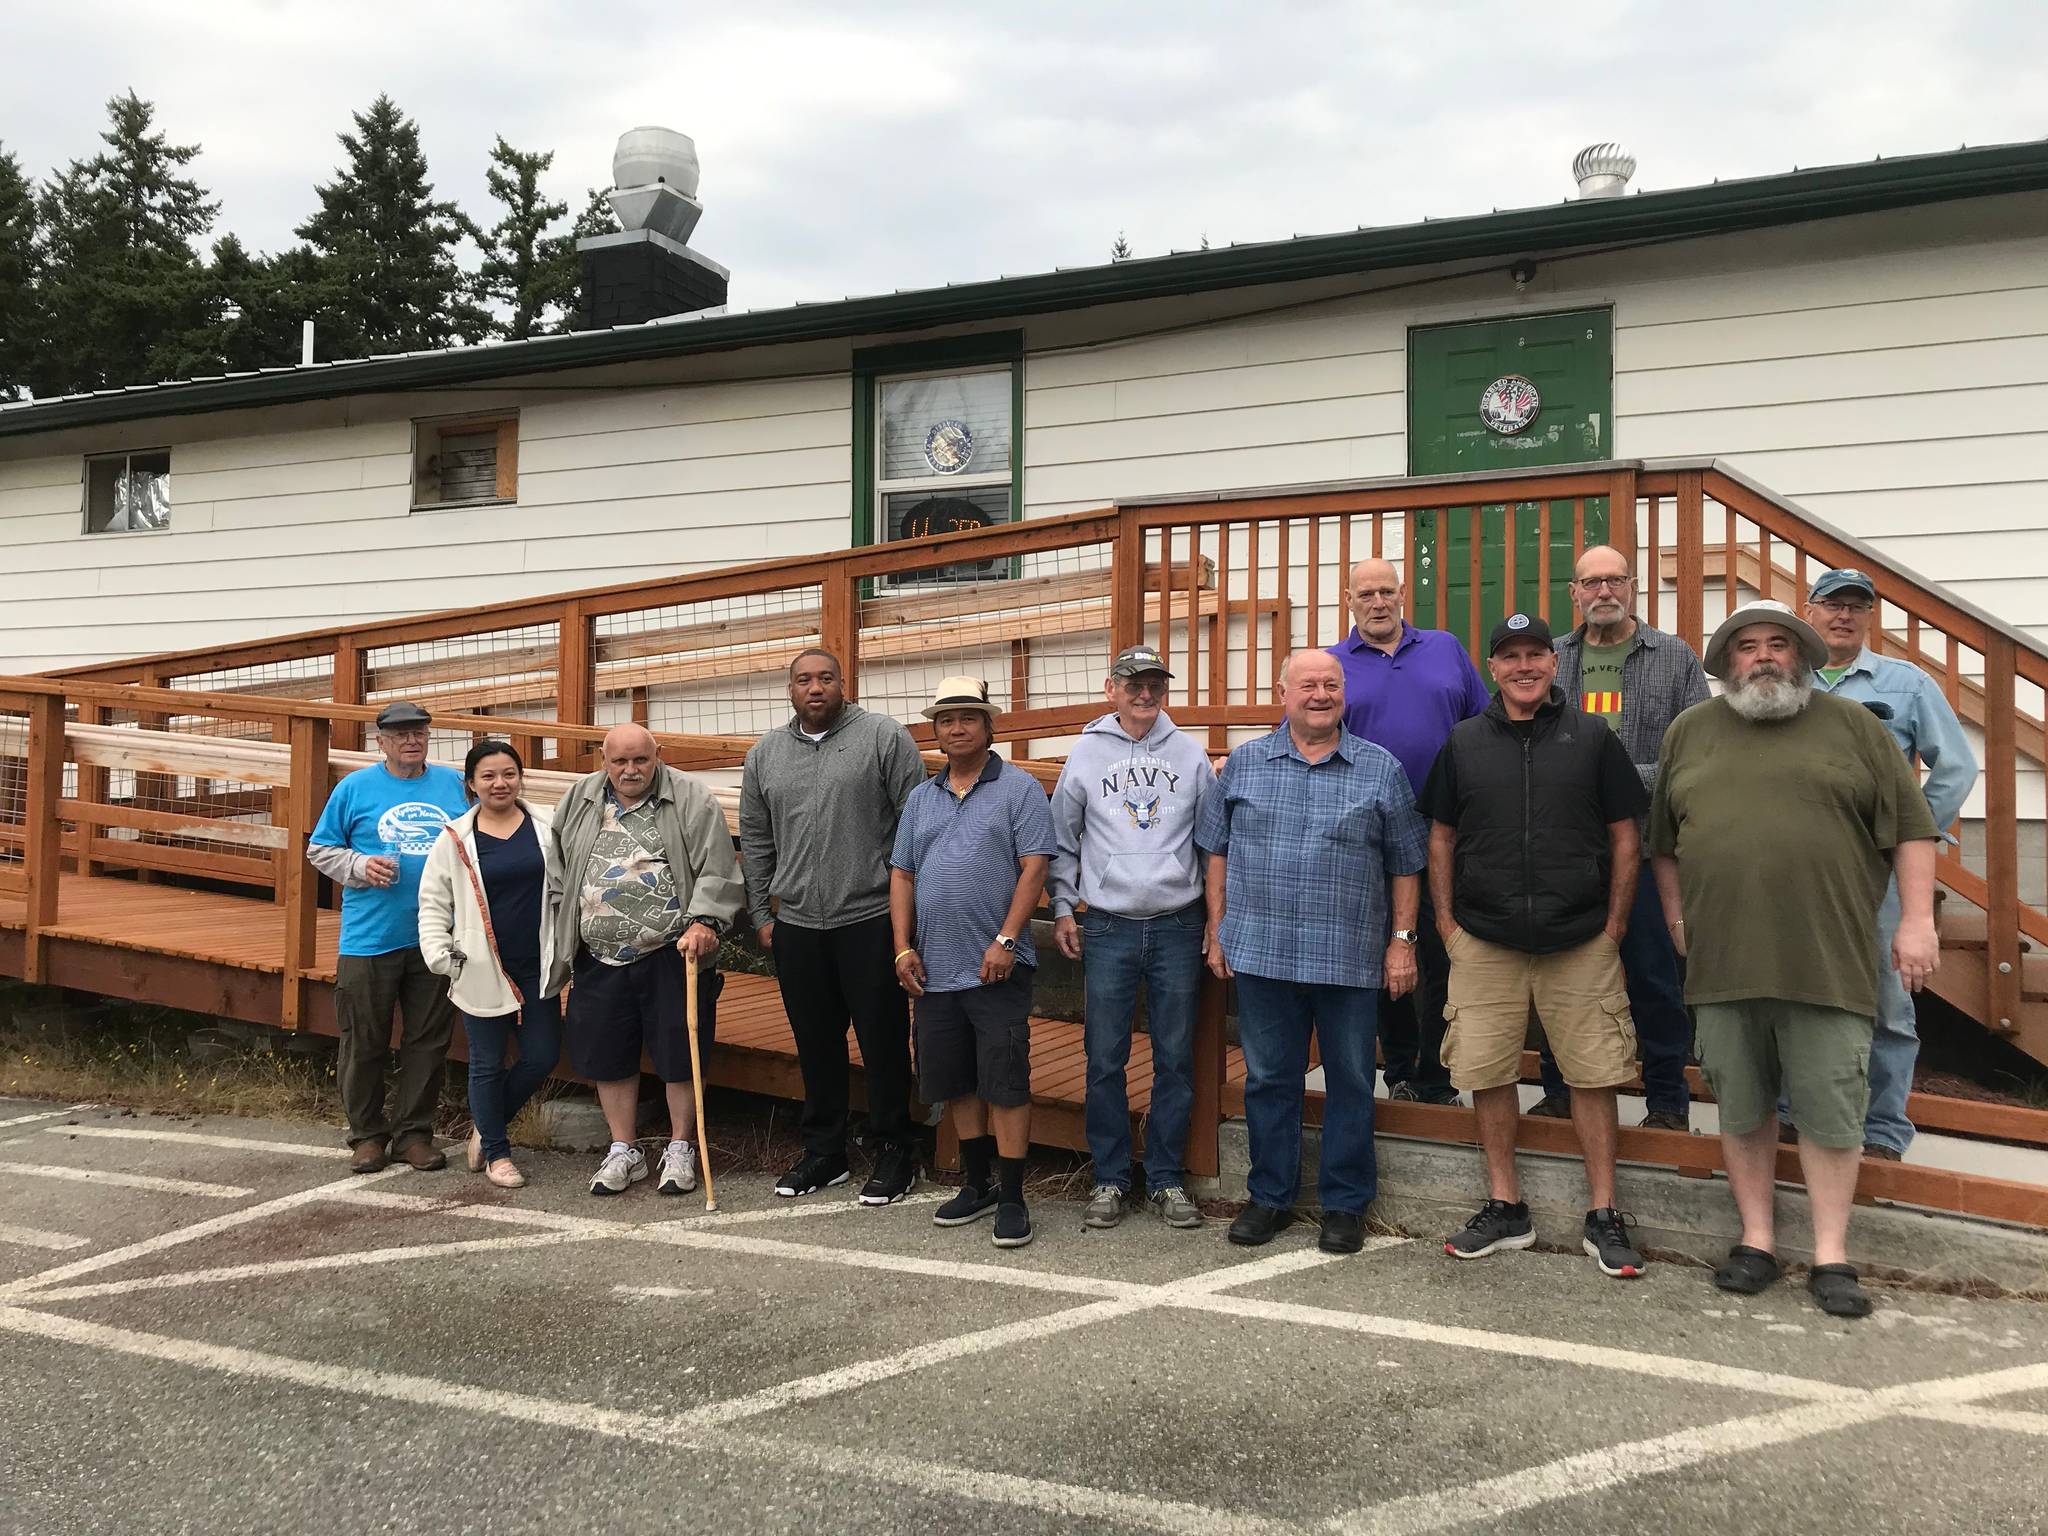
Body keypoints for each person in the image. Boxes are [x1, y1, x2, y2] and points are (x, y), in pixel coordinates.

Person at [1651, 600, 1940, 1319]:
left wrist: (1917, 924)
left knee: (1831, 1112)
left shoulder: (1854, 730)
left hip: (1828, 958)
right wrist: (1676, 917)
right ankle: (1756, 1240)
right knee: (1743, 1107)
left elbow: (1911, 829)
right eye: (1747, 647)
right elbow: (1664, 842)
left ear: (1803, 657)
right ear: (1725, 664)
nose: (1764, 657)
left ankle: (1832, 1254)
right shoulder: (1691, 732)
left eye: (1779, 644)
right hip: (1724, 962)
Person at [1420, 614, 1652, 1278]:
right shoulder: (1464, 742)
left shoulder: (1592, 737)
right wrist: (1447, 926)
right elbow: (1439, 836)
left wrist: (1613, 927)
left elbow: (1625, 836)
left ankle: (1603, 1213)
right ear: (1491, 668)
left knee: (1594, 1073)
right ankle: (1505, 1205)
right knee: (1486, 1071)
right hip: (1483, 939)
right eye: (1510, 656)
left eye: (1535, 654)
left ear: (1554, 663)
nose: (1524, 666)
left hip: (1580, 938)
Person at [1197, 648, 1428, 1255]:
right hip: (1263, 951)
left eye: (1331, 684)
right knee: (1270, 1078)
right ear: (1284, 694)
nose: (1320, 694)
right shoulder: (1243, 766)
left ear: (1343, 695)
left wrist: (1402, 943)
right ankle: (1269, 1195)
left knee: (1352, 1078)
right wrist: (1217, 927)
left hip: (1348, 956)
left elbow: (1407, 863)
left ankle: (1345, 1204)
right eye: (1307, 685)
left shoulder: (1381, 769)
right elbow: (1214, 850)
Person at [1800, 568, 1977, 1161]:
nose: (1844, 615)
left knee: (1887, 998)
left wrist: (1909, 829)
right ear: (1810, 610)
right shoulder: (1783, 677)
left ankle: (1881, 1131)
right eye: (1832, 604)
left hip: (1875, 871)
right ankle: (1785, 1116)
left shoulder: (1905, 685)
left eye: (1857, 606)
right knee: (1791, 989)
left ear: (1870, 616)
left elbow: (1955, 767)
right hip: (1794, 869)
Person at [1532, 546, 1711, 1131]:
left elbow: (1696, 754)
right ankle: (1560, 1090)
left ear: (1631, 587)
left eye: (1615, 580)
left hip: (1648, 844)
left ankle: (1666, 1101)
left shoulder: (1674, 657)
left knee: (1654, 975)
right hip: (1567, 850)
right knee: (1565, 976)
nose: (1604, 591)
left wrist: (1611, 778)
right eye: (1592, 582)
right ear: (1574, 592)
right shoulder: (1551, 659)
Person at [741, 647, 926, 1204]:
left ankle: (896, 1150)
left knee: (883, 1042)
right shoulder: (766, 755)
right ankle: (825, 1152)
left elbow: (916, 824)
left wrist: (906, 921)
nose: (814, 688)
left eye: (825, 678)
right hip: (796, 924)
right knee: (815, 1043)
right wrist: (759, 914)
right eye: (803, 680)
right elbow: (755, 838)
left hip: (869, 917)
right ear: (790, 690)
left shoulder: (882, 738)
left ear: (843, 684)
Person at [1049, 643, 1217, 1232]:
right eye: (1133, 684)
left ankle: (1167, 1178)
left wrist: (1214, 922)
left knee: (1175, 1057)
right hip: (1110, 924)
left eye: (1155, 685)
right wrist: (1064, 906)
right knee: (1104, 1057)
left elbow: (1210, 843)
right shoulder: (1086, 755)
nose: (1144, 694)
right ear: (1111, 688)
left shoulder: (1191, 756)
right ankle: (1111, 1176)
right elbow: (1063, 837)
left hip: (1177, 923)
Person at [889, 677, 1055, 1249]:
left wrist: (1007, 940)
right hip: (934, 968)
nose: (956, 728)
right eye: (946, 720)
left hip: (996, 965)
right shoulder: (921, 797)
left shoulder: (1020, 789)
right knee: (955, 1080)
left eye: (968, 718)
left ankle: (1012, 1196)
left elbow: (1034, 867)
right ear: (934, 731)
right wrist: (902, 946)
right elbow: (902, 874)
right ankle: (978, 1183)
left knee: (1005, 1082)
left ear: (990, 727)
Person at [548, 723, 745, 1197]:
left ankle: (680, 1147)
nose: (630, 770)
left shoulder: (690, 798)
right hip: (599, 953)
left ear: (657, 755)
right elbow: (558, 866)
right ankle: (623, 1149)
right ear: (603, 759)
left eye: (640, 760)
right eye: (620, 761)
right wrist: (566, 919)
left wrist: (705, 921)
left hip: (672, 951)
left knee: (681, 1052)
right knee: (606, 1052)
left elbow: (717, 868)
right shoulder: (580, 798)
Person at [1327, 556, 1489, 1108]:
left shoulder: (1444, 648)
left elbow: (1482, 723)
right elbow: (1303, 731)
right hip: (1367, 836)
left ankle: (1437, 1077)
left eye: (1387, 592)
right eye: (1366, 593)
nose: (1378, 602)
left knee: (1444, 951)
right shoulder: (1332, 665)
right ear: (1348, 600)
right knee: (1386, 955)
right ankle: (1397, 1069)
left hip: (1446, 828)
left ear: (1402, 597)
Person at [307, 700, 471, 1174]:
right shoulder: (355, 787)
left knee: (428, 1039)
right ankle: (366, 1135)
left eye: (418, 732)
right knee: (364, 1039)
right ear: (380, 741)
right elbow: (321, 848)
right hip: (370, 936)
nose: (411, 740)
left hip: (438, 934)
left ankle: (414, 1134)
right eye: (399, 734)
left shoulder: (450, 784)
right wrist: (359, 866)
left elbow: (478, 836)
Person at [418, 741, 562, 1189]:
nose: (500, 783)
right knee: (486, 1062)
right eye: (488, 776)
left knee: (542, 1056)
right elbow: (433, 902)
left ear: (521, 778)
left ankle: (488, 1123)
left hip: (540, 961)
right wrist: (440, 954)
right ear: (471, 784)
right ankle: (498, 1154)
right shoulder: (455, 837)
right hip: (480, 964)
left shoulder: (548, 826)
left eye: (509, 774)